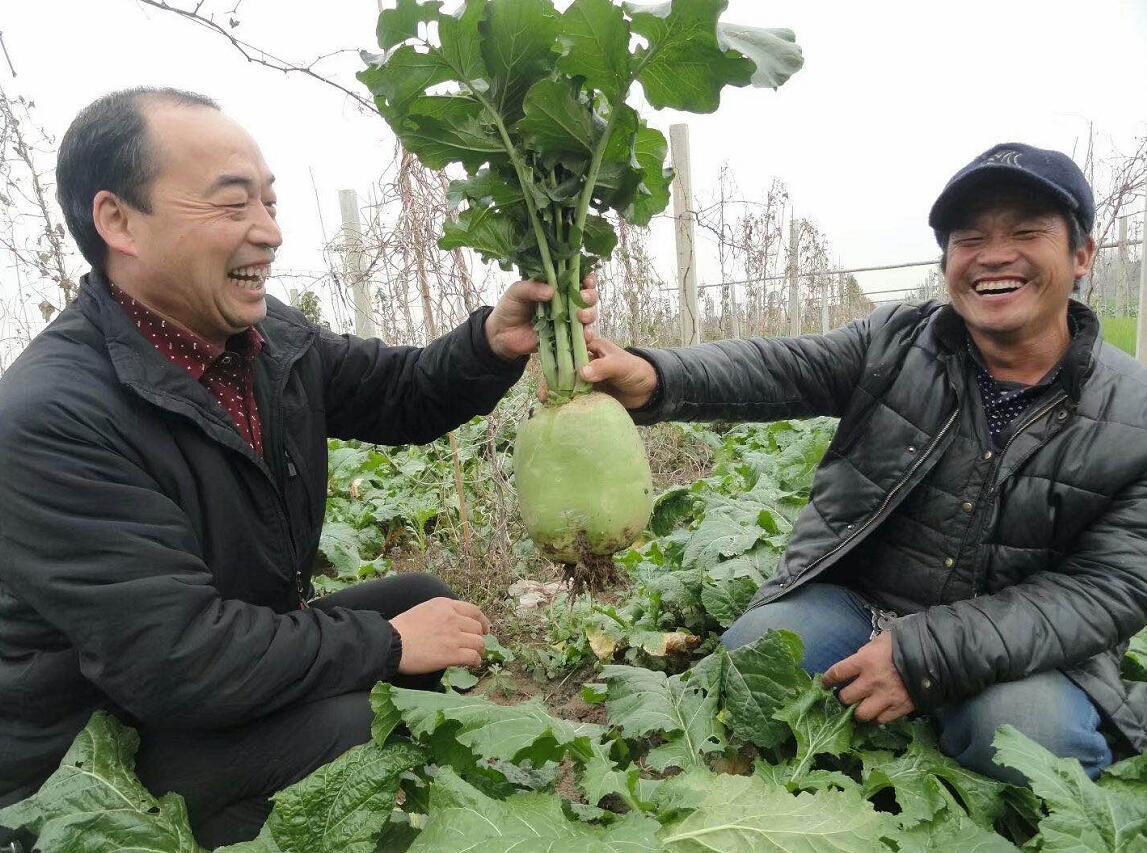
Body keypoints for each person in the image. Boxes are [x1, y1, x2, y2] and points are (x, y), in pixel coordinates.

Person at [0, 87, 596, 846]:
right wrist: (387, 645)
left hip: (207, 679)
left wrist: (490, 343)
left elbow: (400, 394)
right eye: (232, 204)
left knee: (419, 599)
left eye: (270, 202)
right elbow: (176, 657)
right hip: (88, 754)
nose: (269, 231)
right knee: (355, 731)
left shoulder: (263, 339)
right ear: (118, 221)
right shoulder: (51, 414)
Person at [582, 142, 1147, 782]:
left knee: (1031, 740)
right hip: (866, 606)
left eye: (1025, 232)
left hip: (1024, 649)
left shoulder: (1134, 413)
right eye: (969, 239)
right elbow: (781, 368)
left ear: (1081, 255)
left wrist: (925, 656)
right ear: (948, 262)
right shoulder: (898, 343)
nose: (993, 255)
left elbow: (1108, 588)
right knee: (758, 657)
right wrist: (654, 377)